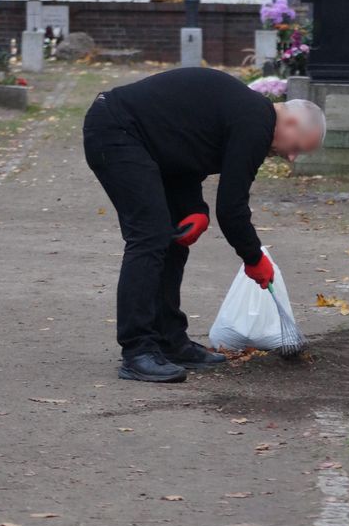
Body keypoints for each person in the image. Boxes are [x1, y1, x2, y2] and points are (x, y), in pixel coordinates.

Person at [83, 68, 326, 383]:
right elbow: (232, 207)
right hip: (116, 131)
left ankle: (170, 341)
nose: (291, 157)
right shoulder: (256, 122)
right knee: (150, 236)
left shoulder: (247, 113)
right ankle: (137, 350)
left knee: (173, 239)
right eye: (297, 147)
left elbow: (184, 152)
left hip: (138, 139)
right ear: (291, 122)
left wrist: (194, 209)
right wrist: (253, 258)